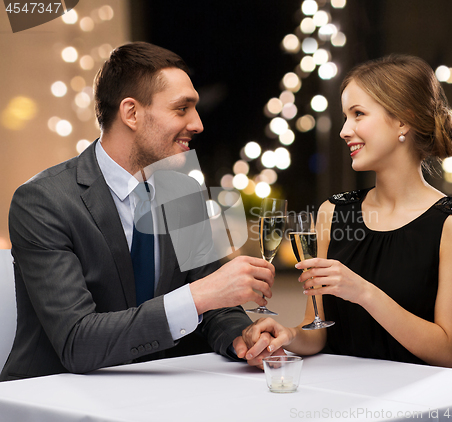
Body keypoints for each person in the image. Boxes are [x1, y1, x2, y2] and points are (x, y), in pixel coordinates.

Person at [1, 42, 276, 381]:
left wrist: (241, 337)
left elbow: (215, 306)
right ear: (131, 113)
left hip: (156, 392)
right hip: (51, 398)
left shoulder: (183, 192)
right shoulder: (44, 201)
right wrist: (197, 296)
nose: (198, 124)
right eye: (182, 109)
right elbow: (77, 342)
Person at [234, 54, 452, 368]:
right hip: (340, 394)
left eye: (358, 114)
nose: (344, 130)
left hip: (419, 402)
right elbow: (318, 331)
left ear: (403, 120)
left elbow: (447, 353)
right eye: (345, 116)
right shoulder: (333, 212)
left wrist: (362, 291)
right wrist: (288, 335)